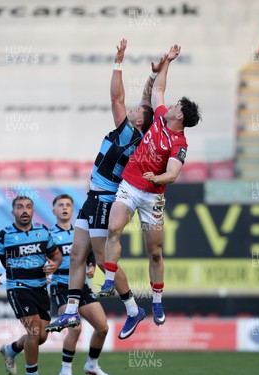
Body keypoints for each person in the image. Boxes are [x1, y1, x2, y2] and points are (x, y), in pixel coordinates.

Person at [45, 39, 164, 333]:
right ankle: (71, 311)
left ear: (138, 122)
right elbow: (146, 103)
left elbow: (116, 99)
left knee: (101, 260)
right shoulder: (135, 132)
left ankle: (133, 310)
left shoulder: (128, 133)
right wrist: (152, 76)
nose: (134, 108)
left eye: (138, 110)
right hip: (92, 198)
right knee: (76, 254)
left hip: (105, 200)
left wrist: (118, 62)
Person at [100, 44, 201, 339]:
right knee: (114, 228)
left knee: (154, 252)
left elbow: (172, 174)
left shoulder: (179, 144)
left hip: (152, 196)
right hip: (130, 186)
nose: (169, 106)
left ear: (179, 117)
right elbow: (158, 89)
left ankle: (157, 302)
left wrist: (155, 176)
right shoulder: (158, 117)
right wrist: (167, 61)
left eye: (175, 107)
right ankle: (108, 279)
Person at [0, 195, 63, 375]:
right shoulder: (5, 235)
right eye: (19, 207)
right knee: (34, 331)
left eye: (28, 207)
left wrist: (54, 265)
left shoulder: (42, 232)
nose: (24, 210)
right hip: (18, 288)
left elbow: (56, 255)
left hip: (41, 287)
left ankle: (11, 350)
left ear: (33, 211)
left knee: (41, 336)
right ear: (13, 212)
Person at [47, 194, 112, 375]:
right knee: (75, 327)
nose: (65, 208)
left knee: (102, 327)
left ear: (72, 209)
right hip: (61, 287)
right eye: (61, 205)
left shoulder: (80, 231)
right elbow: (43, 257)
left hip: (82, 287)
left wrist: (91, 265)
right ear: (54, 211)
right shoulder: (49, 235)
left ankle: (92, 364)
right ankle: (65, 372)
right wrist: (45, 270)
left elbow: (89, 252)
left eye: (68, 205)